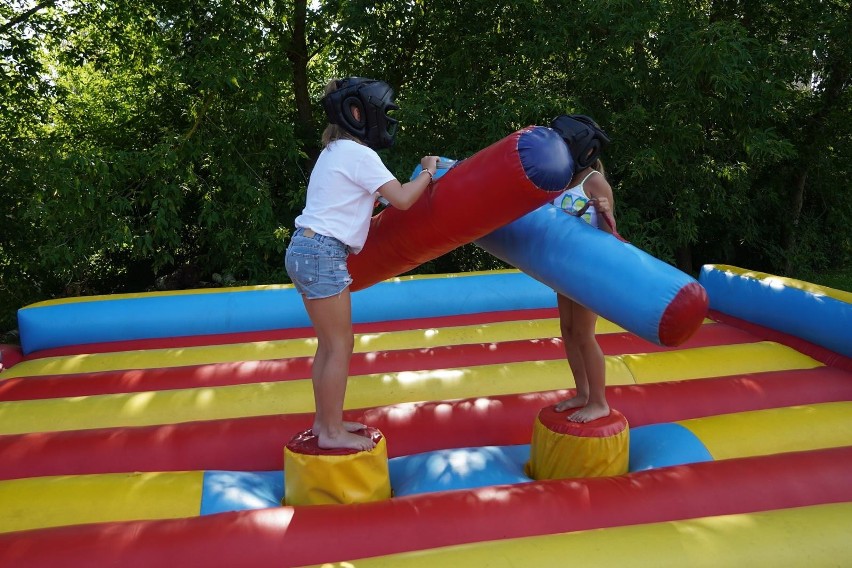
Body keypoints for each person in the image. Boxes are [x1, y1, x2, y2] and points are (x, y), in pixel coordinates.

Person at [285, 77, 439, 450]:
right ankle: (332, 432)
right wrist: (428, 171)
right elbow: (401, 199)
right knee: (340, 345)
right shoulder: (360, 155)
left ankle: (326, 424)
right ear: (359, 113)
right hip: (323, 253)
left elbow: (360, 202)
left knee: (328, 345)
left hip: (305, 250)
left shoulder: (334, 152)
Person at [549, 114, 615, 423]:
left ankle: (599, 401)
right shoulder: (559, 179)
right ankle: (583, 393)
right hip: (565, 268)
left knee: (585, 334)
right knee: (568, 330)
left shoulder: (594, 181)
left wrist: (603, 212)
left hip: (589, 268)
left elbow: (609, 236)